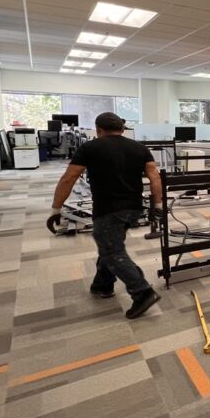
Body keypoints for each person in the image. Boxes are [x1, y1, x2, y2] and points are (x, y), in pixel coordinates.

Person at [50, 112, 163, 319]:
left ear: (98, 129)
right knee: (110, 246)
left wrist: (56, 209)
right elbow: (155, 178)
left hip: (108, 210)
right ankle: (103, 285)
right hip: (133, 209)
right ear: (122, 128)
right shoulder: (140, 148)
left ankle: (142, 292)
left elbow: (69, 178)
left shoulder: (90, 148)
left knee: (112, 251)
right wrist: (157, 204)